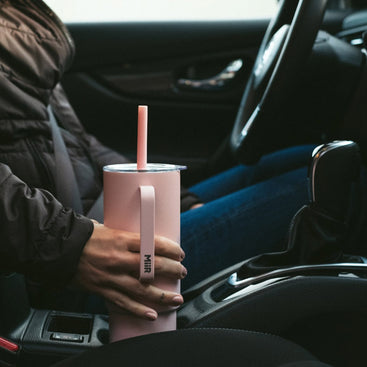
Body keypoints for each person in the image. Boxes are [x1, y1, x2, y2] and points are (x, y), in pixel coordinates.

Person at [0, 0, 313, 319]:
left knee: (306, 160)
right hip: (69, 268)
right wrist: (71, 246)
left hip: (83, 224)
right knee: (328, 181)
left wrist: (179, 200)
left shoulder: (23, 30)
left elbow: (79, 142)